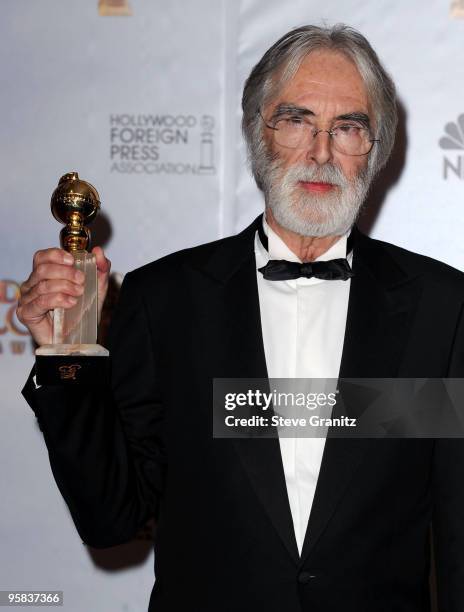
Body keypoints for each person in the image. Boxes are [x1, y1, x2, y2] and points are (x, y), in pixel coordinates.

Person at [18, 24, 464, 612]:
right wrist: (66, 355)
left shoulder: (442, 306)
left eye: (348, 128)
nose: (321, 152)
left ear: (375, 151)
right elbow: (110, 517)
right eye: (298, 119)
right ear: (260, 131)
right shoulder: (164, 301)